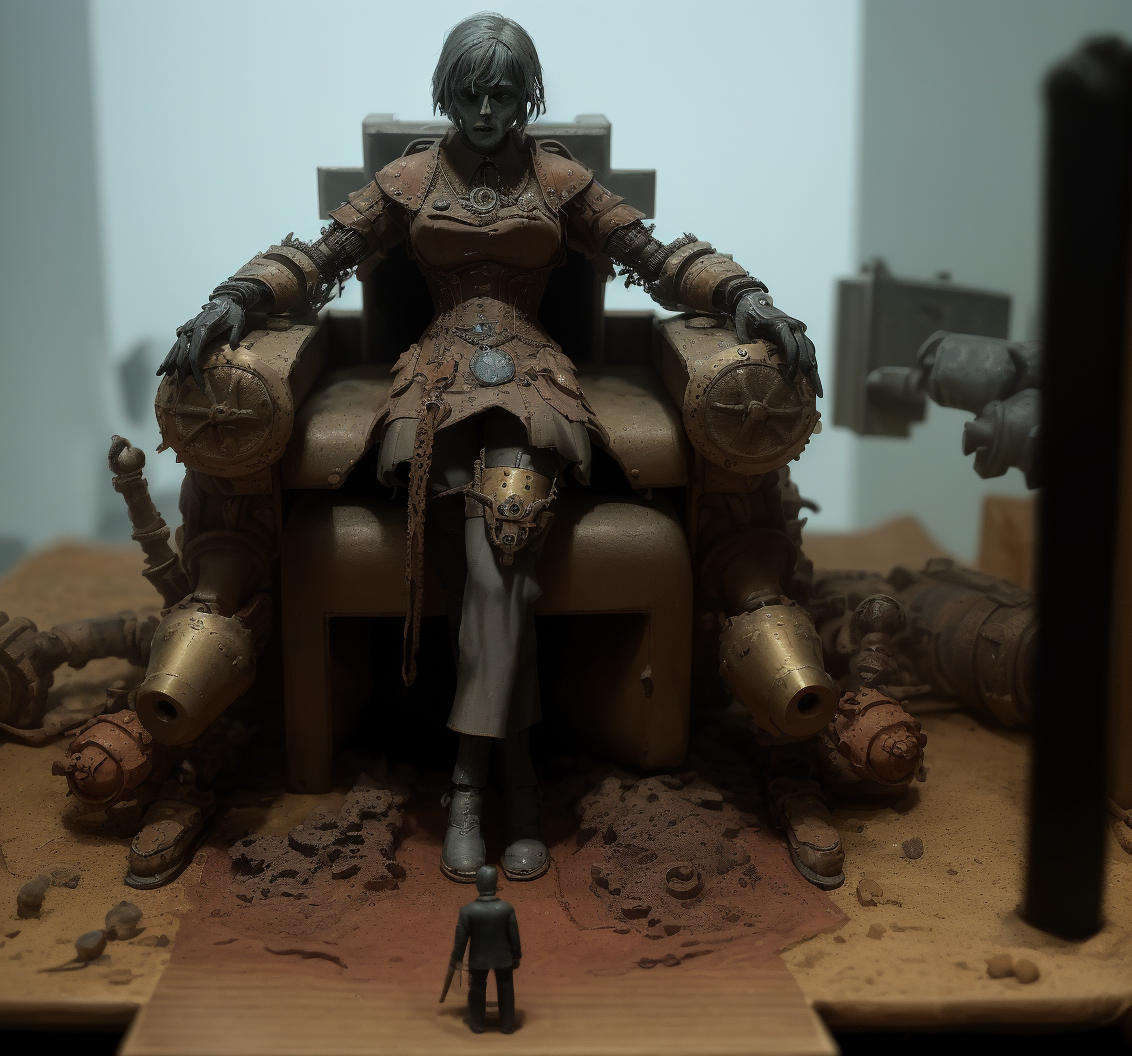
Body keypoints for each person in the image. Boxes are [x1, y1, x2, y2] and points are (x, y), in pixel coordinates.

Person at [158, 12, 821, 884]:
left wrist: (744, 296)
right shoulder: (410, 178)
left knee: (502, 545)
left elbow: (655, 256)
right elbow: (319, 255)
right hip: (433, 376)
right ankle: (515, 778)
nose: (484, 110)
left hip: (532, 374)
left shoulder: (557, 177)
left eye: (502, 93)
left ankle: (474, 783)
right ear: (447, 91)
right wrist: (235, 297)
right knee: (477, 564)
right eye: (469, 93)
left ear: (526, 95)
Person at [451, 863, 522, 1034]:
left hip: (479, 959)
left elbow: (461, 939)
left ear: (478, 884)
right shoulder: (506, 909)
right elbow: (514, 935)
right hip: (504, 957)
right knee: (506, 988)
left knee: (477, 988)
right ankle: (507, 1024)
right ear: (495, 883)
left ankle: (478, 1023)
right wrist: (516, 954)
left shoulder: (467, 911)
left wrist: (456, 958)